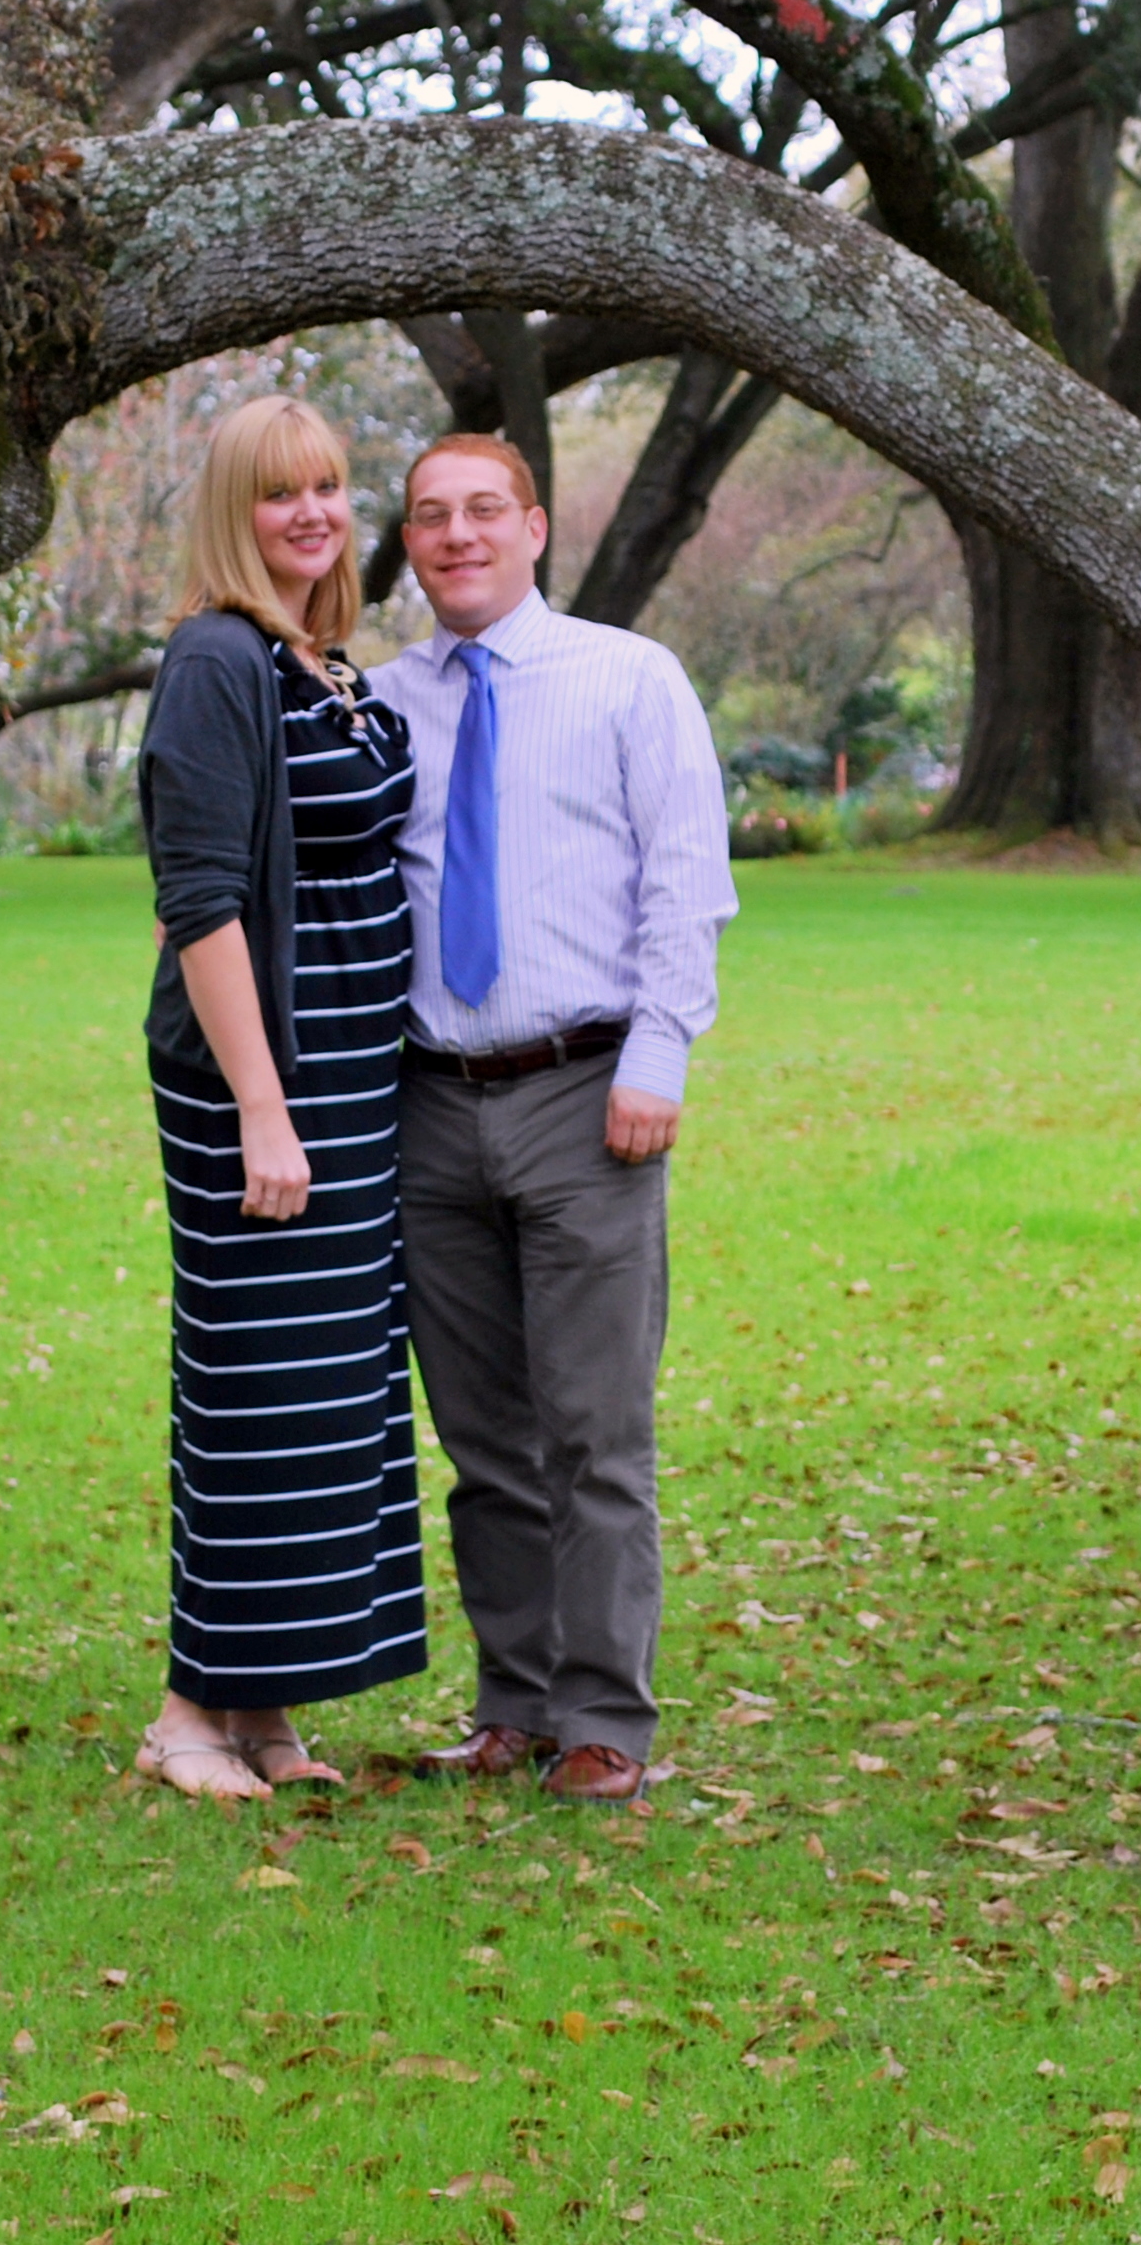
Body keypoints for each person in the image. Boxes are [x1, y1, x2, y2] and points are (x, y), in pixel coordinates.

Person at [374, 433, 735, 1805]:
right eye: (431, 516)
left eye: (484, 510)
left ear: (534, 527)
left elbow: (685, 879)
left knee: (594, 1433)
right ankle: (513, 1706)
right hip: (429, 1104)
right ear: (410, 543)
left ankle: (604, 1722)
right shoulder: (382, 704)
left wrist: (660, 1057)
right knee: (484, 1444)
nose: (457, 535)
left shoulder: (628, 678)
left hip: (591, 1094)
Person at [131, 396, 429, 1801]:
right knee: (255, 1391)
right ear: (231, 513)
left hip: (356, 1083)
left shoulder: (320, 662)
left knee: (331, 1397)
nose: (311, 513)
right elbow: (199, 904)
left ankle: (263, 1707)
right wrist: (263, 1103)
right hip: (265, 1086)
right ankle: (185, 1716)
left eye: (326, 486)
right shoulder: (214, 660)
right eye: (276, 492)